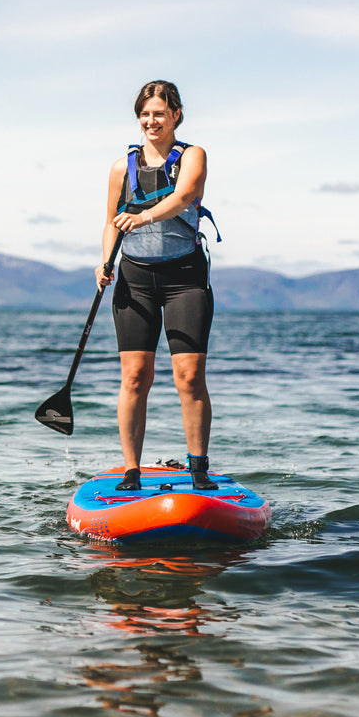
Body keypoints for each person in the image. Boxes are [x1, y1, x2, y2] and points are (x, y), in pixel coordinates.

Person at [96, 80, 219, 492]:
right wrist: (104, 262)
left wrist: (144, 217)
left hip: (184, 277)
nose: (151, 121)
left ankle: (198, 467)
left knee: (189, 375)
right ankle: (132, 470)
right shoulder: (120, 168)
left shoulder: (193, 156)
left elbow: (184, 197)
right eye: (145, 114)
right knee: (134, 376)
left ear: (175, 116)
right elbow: (111, 221)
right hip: (135, 278)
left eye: (159, 114)